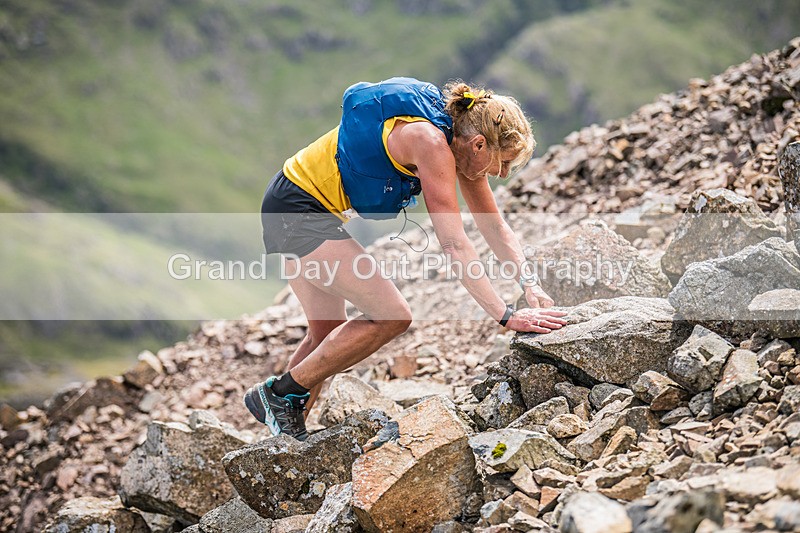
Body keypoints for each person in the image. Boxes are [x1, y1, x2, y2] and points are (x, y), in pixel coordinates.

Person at [244, 77, 567, 441]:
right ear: (479, 144)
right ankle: (277, 394)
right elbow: (454, 244)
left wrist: (530, 283)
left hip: (290, 198)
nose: (503, 174)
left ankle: (283, 434)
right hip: (297, 211)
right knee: (392, 315)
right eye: (504, 163)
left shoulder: (462, 143)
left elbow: (493, 226)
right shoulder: (430, 142)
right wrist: (505, 315)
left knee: (326, 335)